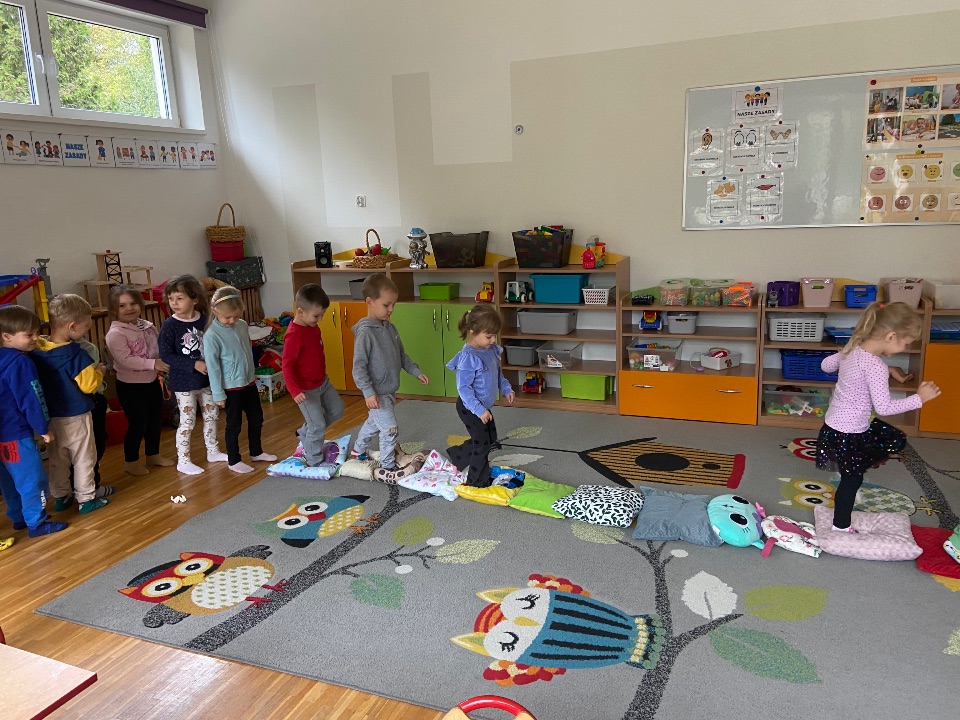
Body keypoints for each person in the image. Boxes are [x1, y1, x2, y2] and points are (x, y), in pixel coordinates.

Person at [815, 302, 941, 533]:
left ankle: (847, 469)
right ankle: (840, 527)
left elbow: (825, 366)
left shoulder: (853, 349)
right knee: (852, 481)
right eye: (906, 342)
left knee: (892, 438)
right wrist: (919, 398)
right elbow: (884, 408)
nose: (905, 347)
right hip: (850, 431)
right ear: (891, 336)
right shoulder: (875, 366)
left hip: (833, 426)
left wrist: (844, 353)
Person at [31, 294, 108, 514]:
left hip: (51, 416)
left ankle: (61, 496)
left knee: (57, 459)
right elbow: (89, 386)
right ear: (72, 326)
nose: (86, 332)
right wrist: (100, 371)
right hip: (76, 416)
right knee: (84, 457)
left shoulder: (38, 350)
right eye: (86, 327)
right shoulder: (77, 355)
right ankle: (86, 498)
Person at [351, 273, 428, 483]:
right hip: (377, 392)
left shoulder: (390, 328)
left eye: (393, 304)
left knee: (374, 423)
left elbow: (401, 355)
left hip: (388, 390)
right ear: (369, 302)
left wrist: (415, 371)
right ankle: (388, 464)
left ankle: (358, 450)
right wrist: (368, 392)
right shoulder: (366, 333)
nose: (391, 309)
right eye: (386, 305)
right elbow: (358, 368)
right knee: (390, 429)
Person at [0, 306, 67, 537]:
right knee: (32, 479)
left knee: (9, 480)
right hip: (17, 433)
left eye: (37, 332)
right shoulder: (20, 362)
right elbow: (31, 398)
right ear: (7, 336)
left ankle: (20, 517)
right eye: (29, 334)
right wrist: (43, 427)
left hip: (3, 435)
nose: (36, 338)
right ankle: (36, 522)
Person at [203, 286, 276, 473]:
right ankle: (234, 460)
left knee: (257, 418)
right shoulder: (212, 335)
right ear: (214, 311)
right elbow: (213, 367)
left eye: (236, 317)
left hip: (248, 382)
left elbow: (246, 352)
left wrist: (252, 372)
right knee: (234, 425)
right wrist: (218, 393)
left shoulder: (242, 325)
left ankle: (256, 452)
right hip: (231, 388)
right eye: (227, 317)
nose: (232, 321)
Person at [158, 275, 227, 475]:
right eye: (171, 299)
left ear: (194, 299)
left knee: (211, 416)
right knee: (187, 421)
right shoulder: (170, 325)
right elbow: (166, 355)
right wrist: (193, 364)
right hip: (184, 383)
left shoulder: (205, 321)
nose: (174, 303)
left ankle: (213, 451)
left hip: (206, 380)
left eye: (180, 298)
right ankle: (183, 460)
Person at [105, 285, 174, 476]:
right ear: (114, 310)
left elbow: (157, 348)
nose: (129, 308)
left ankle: (153, 455)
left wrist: (165, 359)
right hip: (130, 386)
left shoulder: (147, 326)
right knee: (138, 424)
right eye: (122, 305)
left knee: (154, 420)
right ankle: (131, 461)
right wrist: (153, 364)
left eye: (133, 303)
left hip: (151, 382)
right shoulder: (116, 334)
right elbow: (125, 360)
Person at [445, 305, 515, 487]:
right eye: (489, 336)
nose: (493, 340)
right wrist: (479, 410)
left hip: (482, 407)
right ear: (473, 332)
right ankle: (476, 481)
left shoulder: (490, 349)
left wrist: (506, 389)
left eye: (494, 336)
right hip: (470, 407)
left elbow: (497, 374)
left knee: (491, 439)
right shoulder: (468, 357)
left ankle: (458, 455)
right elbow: (463, 388)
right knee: (482, 445)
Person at [283, 283, 344, 466]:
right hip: (305, 390)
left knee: (337, 410)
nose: (320, 319)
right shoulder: (293, 336)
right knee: (317, 425)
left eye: (322, 315)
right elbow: (287, 366)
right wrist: (294, 391)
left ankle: (305, 432)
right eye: (317, 316)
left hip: (322, 382)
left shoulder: (313, 327)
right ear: (300, 312)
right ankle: (314, 460)